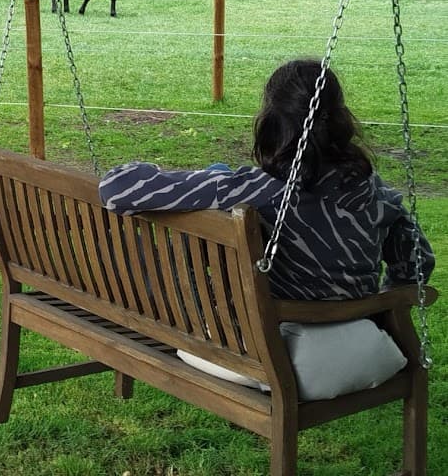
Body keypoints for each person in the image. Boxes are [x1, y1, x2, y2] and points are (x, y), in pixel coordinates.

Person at [98, 58, 435, 301]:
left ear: (274, 121)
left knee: (217, 172)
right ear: (339, 118)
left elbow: (115, 188)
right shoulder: (378, 194)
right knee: (219, 172)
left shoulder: (257, 189)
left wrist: (194, 176)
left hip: (271, 348)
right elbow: (417, 265)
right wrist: (376, 310)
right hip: (359, 347)